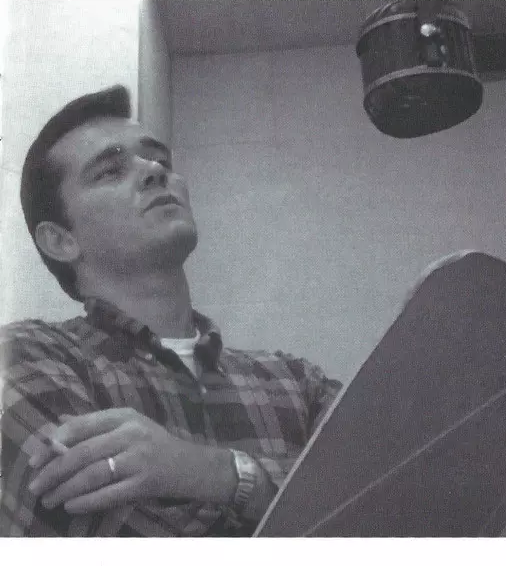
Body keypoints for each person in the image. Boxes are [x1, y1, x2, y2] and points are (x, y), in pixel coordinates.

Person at [0, 85, 342, 537]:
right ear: (61, 240)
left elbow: (397, 504)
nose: (154, 170)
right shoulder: (23, 358)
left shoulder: (297, 383)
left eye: (159, 159)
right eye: (109, 170)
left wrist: (221, 474)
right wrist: (287, 489)